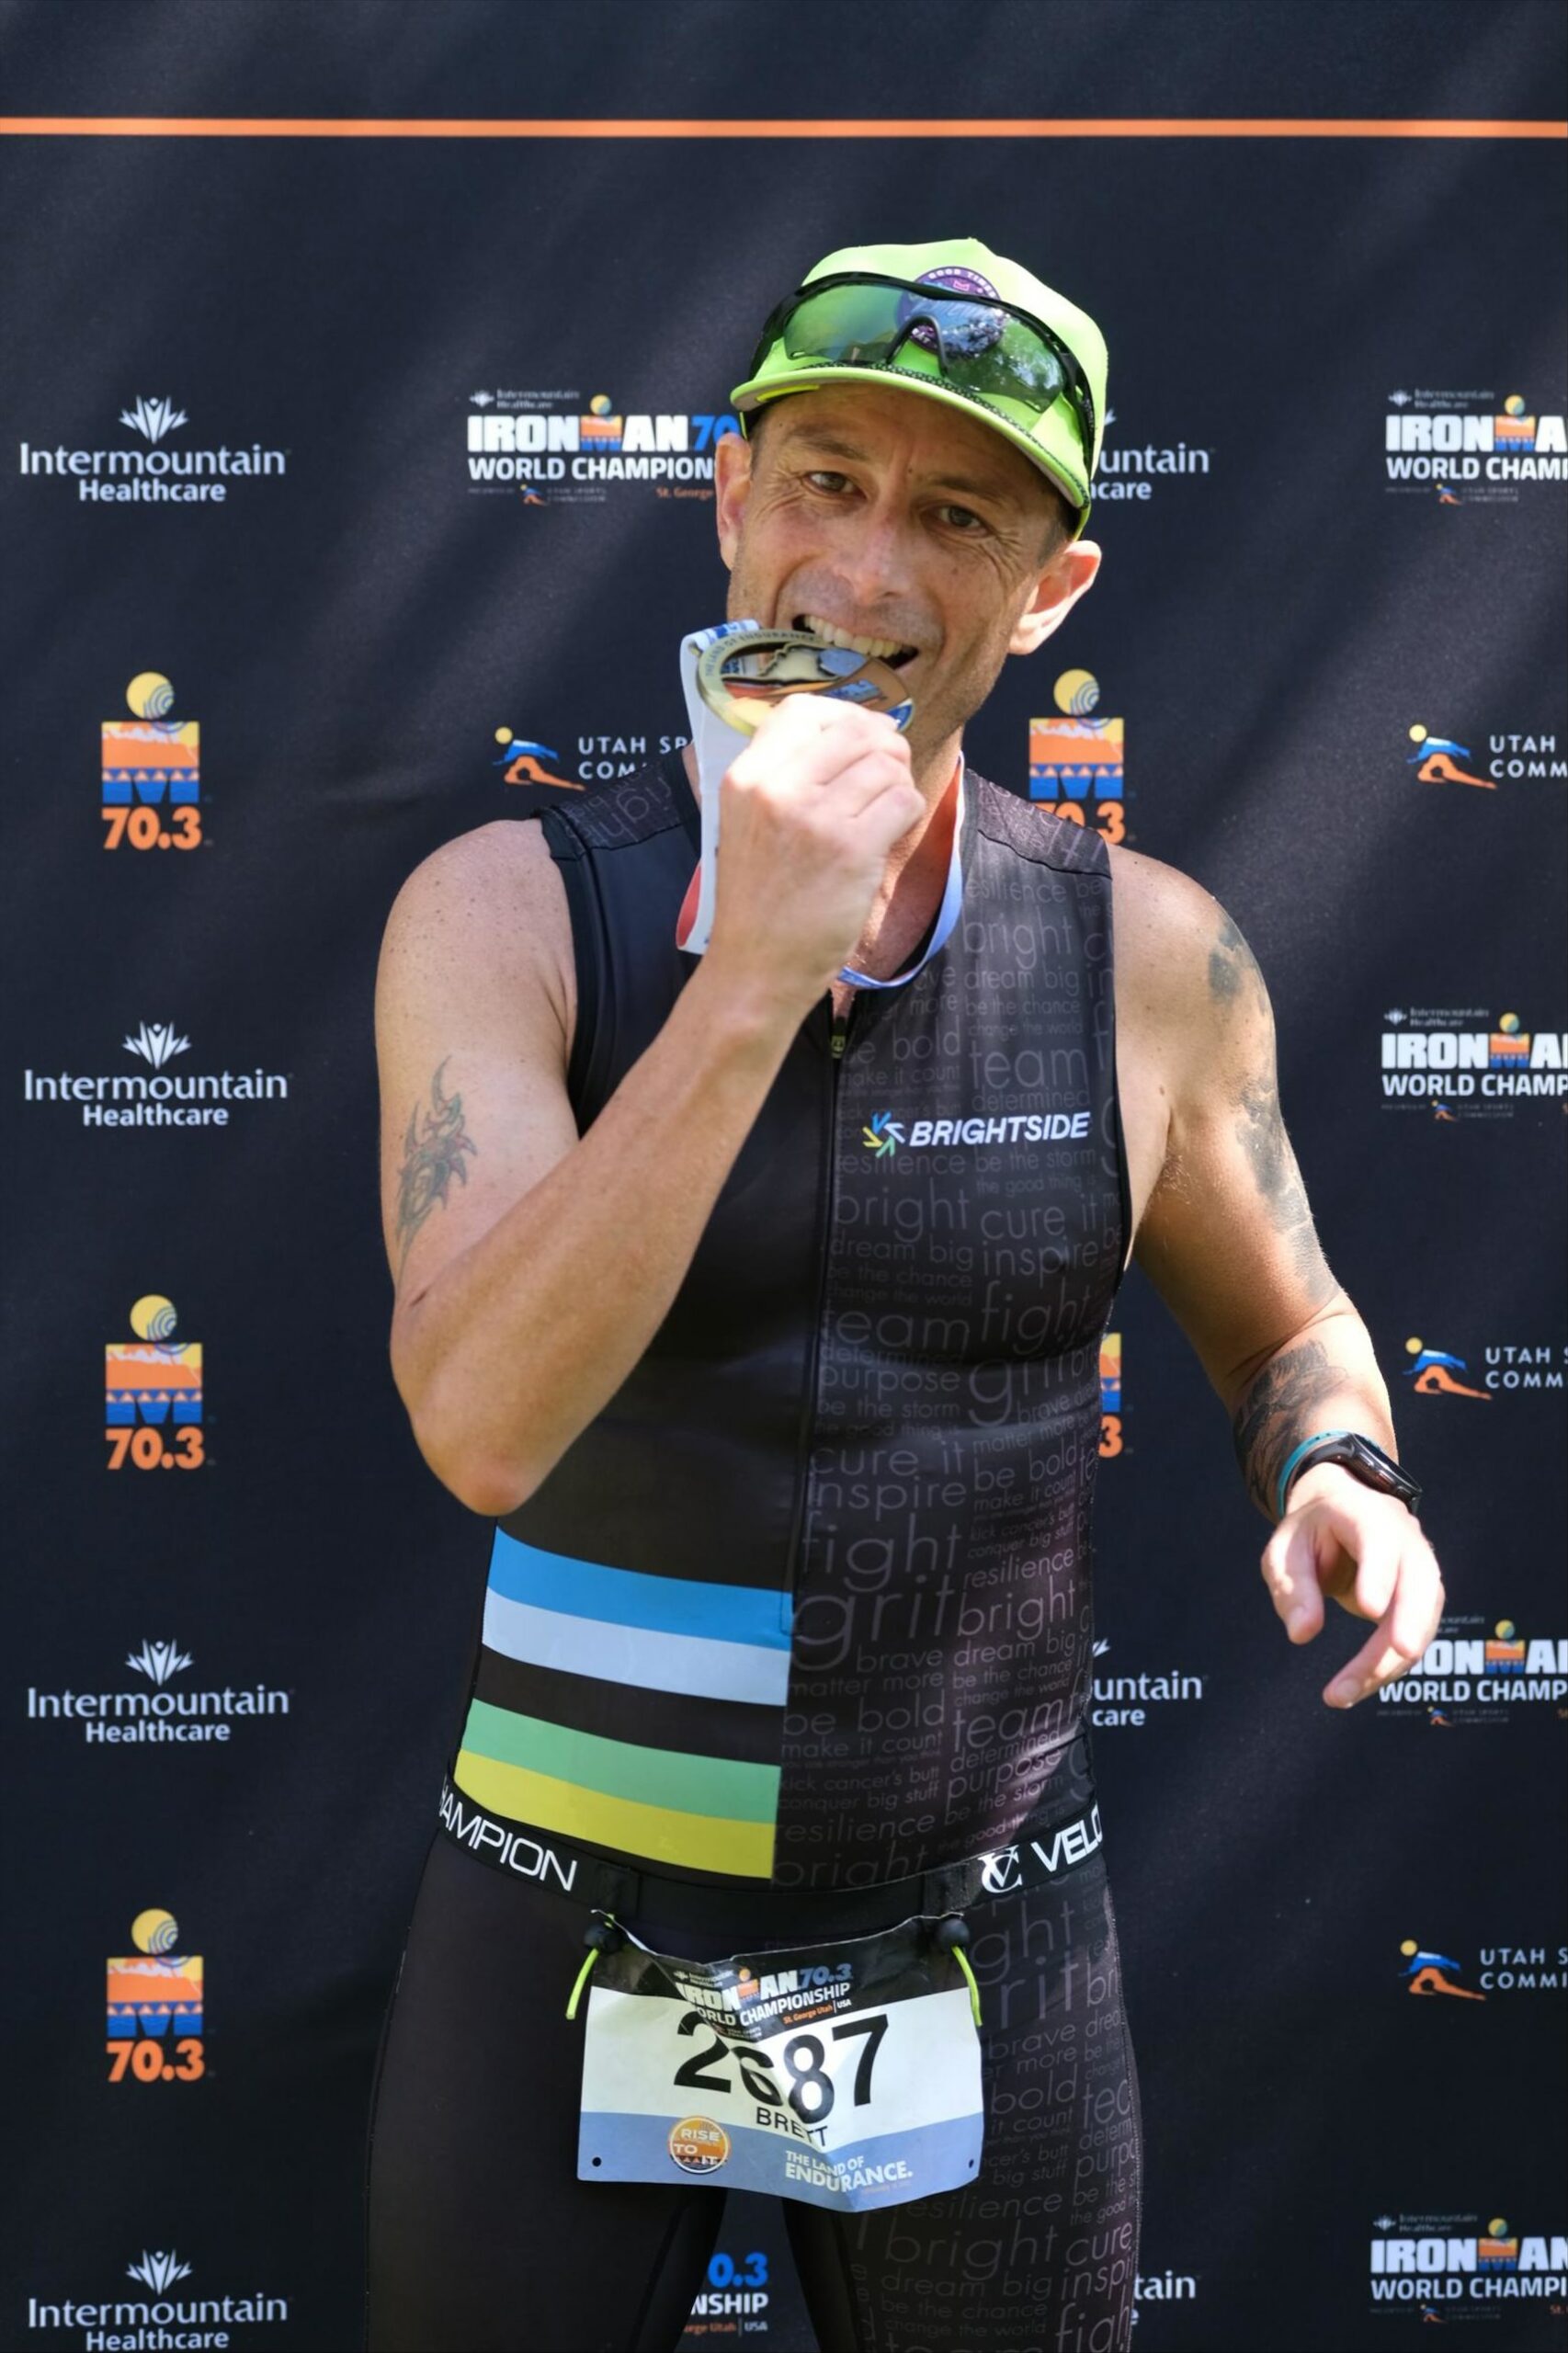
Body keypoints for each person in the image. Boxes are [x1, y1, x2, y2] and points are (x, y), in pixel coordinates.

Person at [364, 237, 1445, 2353]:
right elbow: (483, 1419)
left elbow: (1292, 1320)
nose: (865, 566)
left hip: (979, 1946)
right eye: (828, 477)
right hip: (568, 1930)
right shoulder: (511, 912)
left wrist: (1338, 1460)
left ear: (1047, 595)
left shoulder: (1147, 953)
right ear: (729, 498)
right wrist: (756, 960)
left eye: (956, 516)